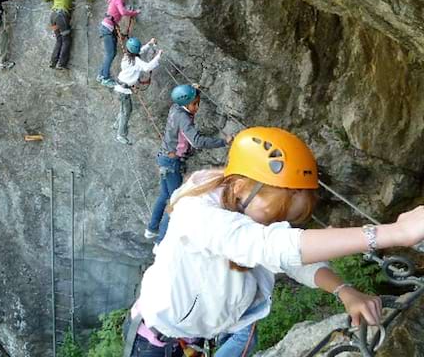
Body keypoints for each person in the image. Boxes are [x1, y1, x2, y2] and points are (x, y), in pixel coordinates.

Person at [128, 127, 424, 357]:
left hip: (195, 337)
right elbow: (268, 244)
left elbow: (288, 258)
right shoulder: (197, 213)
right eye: (273, 214)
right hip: (155, 344)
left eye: (286, 219)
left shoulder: (244, 203)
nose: (274, 225)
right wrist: (393, 234)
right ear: (242, 187)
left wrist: (344, 290)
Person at [145, 84, 230, 242]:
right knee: (176, 203)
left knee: (165, 195)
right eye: (194, 104)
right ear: (185, 104)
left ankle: (151, 228)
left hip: (164, 158)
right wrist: (223, 142)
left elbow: (181, 96)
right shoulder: (184, 118)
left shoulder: (175, 108)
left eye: (198, 103)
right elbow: (197, 141)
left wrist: (193, 89)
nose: (197, 107)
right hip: (173, 163)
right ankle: (160, 241)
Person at [113, 37, 162, 145]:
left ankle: (117, 124)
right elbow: (148, 67)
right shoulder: (136, 61)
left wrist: (149, 44)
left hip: (120, 87)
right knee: (126, 112)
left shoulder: (127, 56)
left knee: (124, 109)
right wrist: (158, 56)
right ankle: (121, 135)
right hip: (123, 90)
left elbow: (139, 51)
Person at [44, 0, 94, 70]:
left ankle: (53, 62)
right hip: (61, 15)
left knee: (59, 39)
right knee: (66, 40)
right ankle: (61, 64)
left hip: (53, 16)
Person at [97, 0, 140, 87]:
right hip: (107, 28)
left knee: (112, 53)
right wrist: (135, 12)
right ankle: (105, 78)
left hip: (109, 28)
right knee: (110, 54)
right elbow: (123, 12)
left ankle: (101, 75)